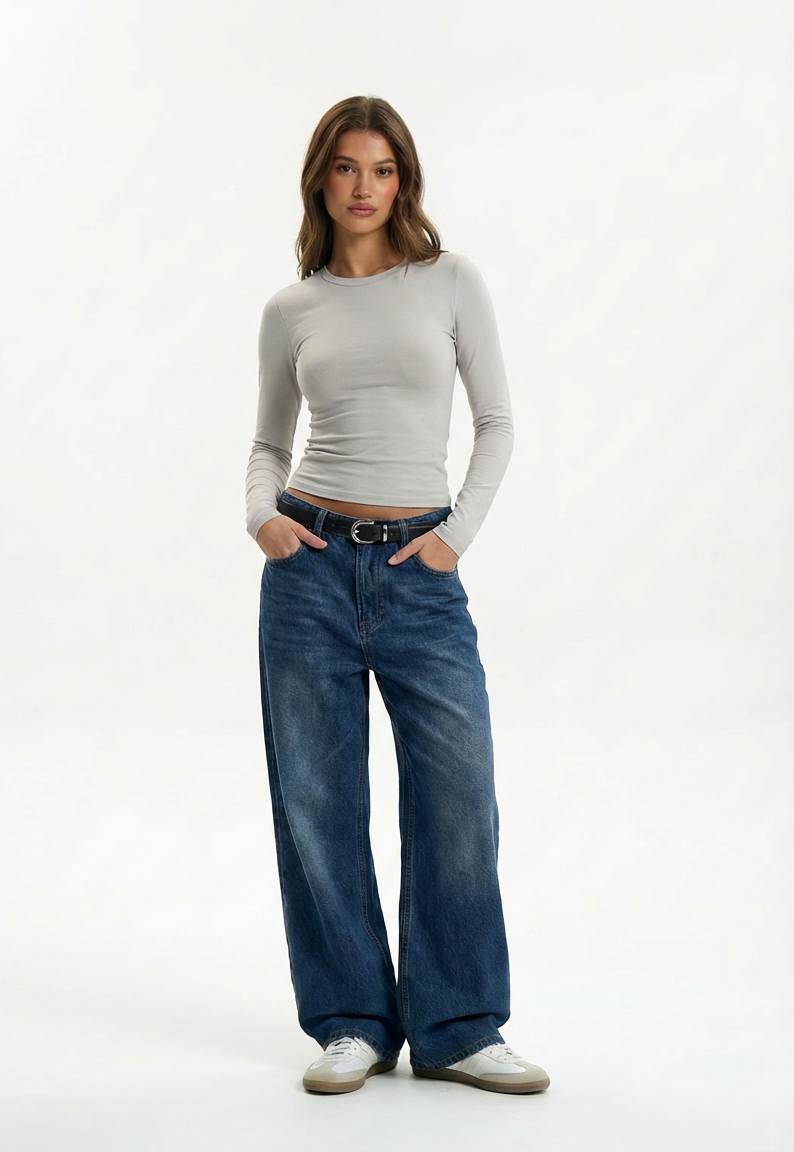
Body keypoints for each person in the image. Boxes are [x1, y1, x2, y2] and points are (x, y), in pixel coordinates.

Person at [245, 95, 549, 1097]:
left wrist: (453, 538)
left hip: (419, 573)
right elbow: (268, 442)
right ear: (321, 181)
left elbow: (498, 422)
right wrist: (260, 516)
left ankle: (458, 1028)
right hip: (308, 571)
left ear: (403, 180)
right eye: (346, 167)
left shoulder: (450, 281)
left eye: (382, 169)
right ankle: (351, 1023)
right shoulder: (292, 309)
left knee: (459, 796)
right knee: (316, 803)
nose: (364, 186)